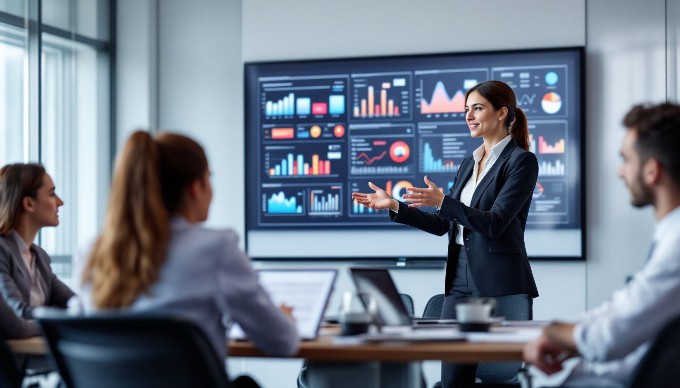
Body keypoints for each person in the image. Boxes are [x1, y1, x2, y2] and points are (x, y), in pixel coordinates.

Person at [352, 80, 539, 387]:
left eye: (477, 108)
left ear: (502, 113)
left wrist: (444, 202)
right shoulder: (469, 162)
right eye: (466, 109)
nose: (469, 116)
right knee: (453, 380)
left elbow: (495, 222)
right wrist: (396, 206)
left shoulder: (521, 161)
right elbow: (445, 225)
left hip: (499, 282)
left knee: (499, 377)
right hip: (459, 279)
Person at [74, 131, 299, 378]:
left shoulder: (93, 253)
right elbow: (282, 342)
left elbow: (77, 327)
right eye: (209, 178)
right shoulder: (215, 249)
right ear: (195, 187)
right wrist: (285, 319)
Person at [523, 103, 680, 387]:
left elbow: (611, 335)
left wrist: (554, 332)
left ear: (651, 171)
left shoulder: (677, 242)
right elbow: (625, 307)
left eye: (627, 160)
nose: (620, 173)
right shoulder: (670, 235)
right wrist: (560, 329)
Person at [0, 163, 75, 319]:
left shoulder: (40, 257)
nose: (60, 202)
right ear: (28, 203)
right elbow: (19, 313)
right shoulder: (2, 251)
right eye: (52, 194)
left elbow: (74, 304)